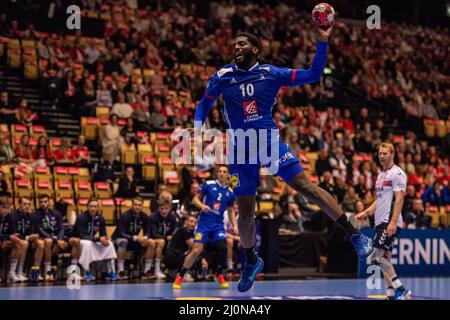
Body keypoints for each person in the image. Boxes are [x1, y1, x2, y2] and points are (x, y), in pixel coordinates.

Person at [193, 29, 373, 292]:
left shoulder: (271, 73)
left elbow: (313, 74)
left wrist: (322, 39)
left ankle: (354, 233)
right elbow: (204, 103)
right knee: (245, 213)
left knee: (305, 187)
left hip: (268, 141)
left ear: (255, 49)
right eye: (235, 44)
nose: (236, 47)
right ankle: (251, 261)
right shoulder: (222, 76)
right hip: (239, 149)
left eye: (242, 44)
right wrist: (198, 128)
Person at [356, 143, 411, 300]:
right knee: (384, 258)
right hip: (380, 222)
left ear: (392, 154)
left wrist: (393, 222)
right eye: (380, 153)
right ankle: (391, 294)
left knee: (375, 258)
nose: (381, 156)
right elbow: (378, 200)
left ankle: (401, 289)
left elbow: (399, 198)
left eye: (385, 153)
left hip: (389, 222)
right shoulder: (381, 176)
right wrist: (366, 212)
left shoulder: (398, 173)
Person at [173, 165, 237, 289]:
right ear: (216, 174)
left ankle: (218, 273)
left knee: (223, 246)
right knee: (196, 250)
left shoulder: (230, 193)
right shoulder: (208, 184)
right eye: (220, 171)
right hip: (204, 223)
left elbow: (231, 211)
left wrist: (235, 225)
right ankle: (180, 275)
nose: (222, 174)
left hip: (218, 225)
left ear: (228, 175)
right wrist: (202, 206)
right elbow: (195, 199)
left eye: (225, 172)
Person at [70, 197, 118, 281]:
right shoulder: (81, 217)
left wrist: (104, 239)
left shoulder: (100, 218)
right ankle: (87, 272)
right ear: (87, 207)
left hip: (92, 240)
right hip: (79, 239)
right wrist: (98, 239)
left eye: (95, 206)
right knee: (88, 244)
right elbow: (82, 235)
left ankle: (110, 271)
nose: (93, 208)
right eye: (91, 206)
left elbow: (103, 234)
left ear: (98, 208)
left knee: (109, 244)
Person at [111, 197, 153, 280]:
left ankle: (146, 271)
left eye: (139, 205)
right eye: (135, 205)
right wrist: (135, 238)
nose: (137, 207)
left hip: (134, 240)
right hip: (119, 238)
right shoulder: (125, 215)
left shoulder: (144, 216)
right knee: (124, 242)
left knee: (150, 242)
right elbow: (121, 232)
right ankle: (120, 271)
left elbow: (147, 231)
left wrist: (145, 237)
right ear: (132, 205)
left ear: (142, 206)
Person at [31, 194, 67, 281]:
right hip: (43, 238)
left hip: (56, 239)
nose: (43, 204)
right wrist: (56, 240)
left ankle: (55, 269)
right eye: (41, 202)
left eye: (45, 202)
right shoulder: (35, 214)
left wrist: (59, 239)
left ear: (49, 202)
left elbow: (61, 228)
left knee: (60, 244)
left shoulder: (56, 213)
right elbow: (41, 231)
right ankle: (48, 270)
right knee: (48, 241)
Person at [9, 196, 44, 282]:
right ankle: (16, 272)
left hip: (26, 240)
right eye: (24, 204)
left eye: (29, 204)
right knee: (24, 243)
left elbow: (32, 231)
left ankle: (36, 272)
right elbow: (14, 233)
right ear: (19, 204)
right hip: (12, 240)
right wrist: (28, 237)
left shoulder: (31, 216)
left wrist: (35, 236)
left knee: (41, 243)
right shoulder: (13, 215)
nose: (27, 206)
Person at [148, 197, 178, 279]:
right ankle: (156, 270)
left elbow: (174, 231)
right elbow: (153, 233)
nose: (164, 211)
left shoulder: (172, 217)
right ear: (158, 208)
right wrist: (166, 237)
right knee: (161, 242)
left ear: (170, 209)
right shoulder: (153, 217)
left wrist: (172, 237)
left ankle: (173, 269)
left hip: (167, 240)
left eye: (166, 209)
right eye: (162, 209)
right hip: (153, 239)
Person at [163, 215, 197, 280]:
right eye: (191, 221)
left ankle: (174, 271)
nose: (193, 224)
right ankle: (182, 272)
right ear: (186, 222)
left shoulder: (189, 232)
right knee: (196, 252)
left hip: (174, 256)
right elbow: (194, 246)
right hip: (172, 258)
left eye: (195, 223)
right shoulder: (183, 230)